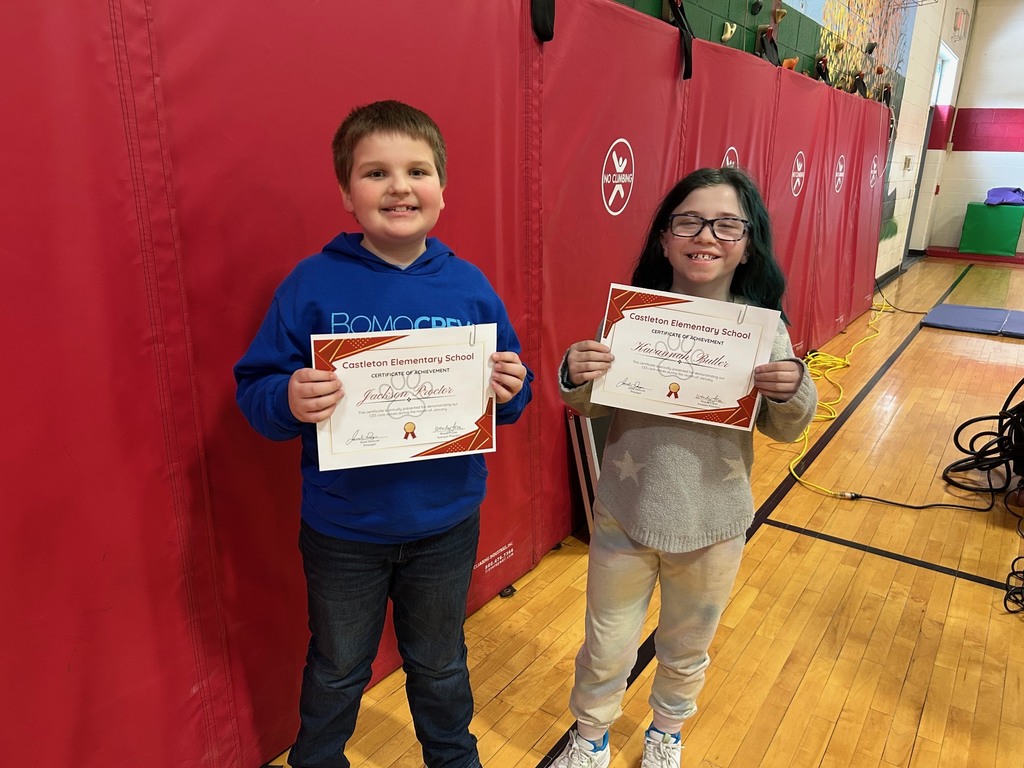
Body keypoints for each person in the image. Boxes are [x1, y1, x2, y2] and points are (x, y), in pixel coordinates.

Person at [234, 100, 533, 768]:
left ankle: (453, 758)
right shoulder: (310, 285)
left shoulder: (471, 289)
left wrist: (513, 389)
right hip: (344, 531)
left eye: (416, 170)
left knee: (440, 664)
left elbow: (513, 392)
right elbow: (254, 393)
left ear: (441, 190)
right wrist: (287, 395)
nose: (399, 186)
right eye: (375, 173)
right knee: (339, 668)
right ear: (346, 193)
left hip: (445, 525)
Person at [554, 167, 817, 768]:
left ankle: (665, 733)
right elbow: (590, 402)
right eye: (690, 221)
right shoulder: (634, 317)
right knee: (606, 643)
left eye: (727, 224)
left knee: (686, 644)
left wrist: (792, 387)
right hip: (625, 513)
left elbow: (785, 428)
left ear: (748, 244)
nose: (707, 235)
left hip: (713, 521)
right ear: (666, 239)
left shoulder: (765, 331)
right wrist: (575, 371)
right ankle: (591, 735)